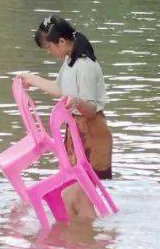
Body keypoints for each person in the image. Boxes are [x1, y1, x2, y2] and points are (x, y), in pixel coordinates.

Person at [19, 16, 114, 218]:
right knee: (72, 194)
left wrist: (77, 101)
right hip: (78, 132)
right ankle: (85, 241)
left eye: (49, 47)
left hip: (92, 134)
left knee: (74, 194)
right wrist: (32, 79)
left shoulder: (85, 65)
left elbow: (89, 111)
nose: (49, 52)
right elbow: (60, 89)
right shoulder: (69, 60)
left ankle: (90, 240)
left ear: (61, 41)